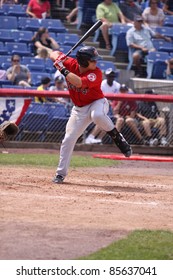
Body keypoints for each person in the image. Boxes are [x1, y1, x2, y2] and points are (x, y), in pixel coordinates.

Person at [50, 46, 132, 183]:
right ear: (83, 61)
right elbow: (53, 53)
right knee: (68, 140)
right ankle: (60, 174)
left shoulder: (96, 73)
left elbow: (79, 83)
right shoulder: (71, 63)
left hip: (97, 102)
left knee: (97, 116)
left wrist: (61, 69)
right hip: (79, 109)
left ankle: (117, 137)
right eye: (93, 60)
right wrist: (58, 59)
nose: (96, 63)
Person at [85, 67, 121, 144]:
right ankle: (90, 137)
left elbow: (121, 98)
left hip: (113, 108)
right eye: (109, 76)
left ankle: (98, 139)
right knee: (103, 120)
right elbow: (99, 97)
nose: (111, 78)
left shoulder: (117, 85)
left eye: (112, 76)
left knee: (110, 123)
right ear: (106, 76)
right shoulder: (102, 84)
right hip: (101, 105)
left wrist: (117, 106)